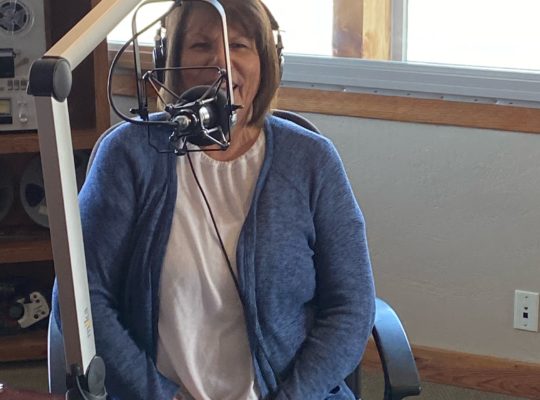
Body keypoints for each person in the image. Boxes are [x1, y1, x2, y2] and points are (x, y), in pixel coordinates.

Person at [50, 0, 375, 399]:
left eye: (239, 45)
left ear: (267, 61)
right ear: (170, 61)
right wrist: (159, 395)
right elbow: (83, 300)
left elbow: (351, 307)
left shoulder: (312, 161)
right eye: (201, 45)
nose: (220, 60)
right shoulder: (129, 155)